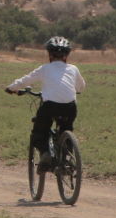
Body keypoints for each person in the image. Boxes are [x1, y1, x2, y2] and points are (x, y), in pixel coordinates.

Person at [5, 36, 86, 171]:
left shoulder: (45, 69)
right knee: (66, 128)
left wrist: (11, 88)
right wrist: (75, 90)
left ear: (49, 54)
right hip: (70, 107)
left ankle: (45, 154)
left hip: (50, 107)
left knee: (39, 132)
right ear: (67, 55)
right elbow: (81, 87)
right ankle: (66, 157)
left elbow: (26, 80)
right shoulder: (73, 69)